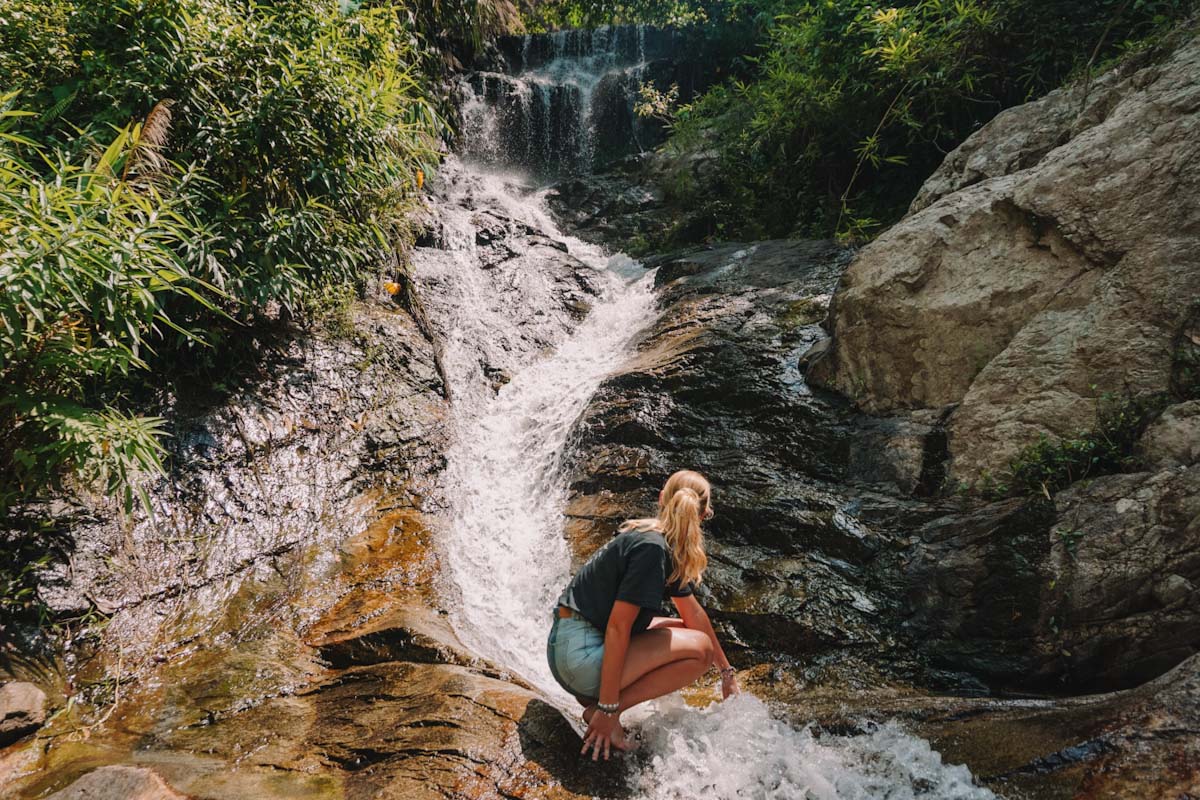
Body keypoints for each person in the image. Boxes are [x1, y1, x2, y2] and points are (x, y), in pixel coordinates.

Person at [546, 469, 740, 760]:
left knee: (685, 630)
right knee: (700, 650)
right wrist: (610, 709)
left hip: (567, 646)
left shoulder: (653, 540)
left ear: (662, 499)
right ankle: (601, 709)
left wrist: (727, 674)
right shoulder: (651, 549)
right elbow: (617, 628)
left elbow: (694, 616)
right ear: (703, 515)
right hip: (578, 656)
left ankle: (598, 702)